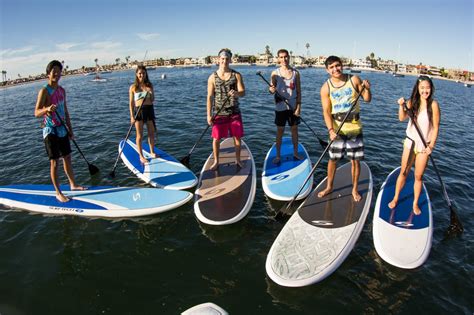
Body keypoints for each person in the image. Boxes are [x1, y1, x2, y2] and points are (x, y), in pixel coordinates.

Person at [318, 55, 372, 202]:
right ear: (327, 70)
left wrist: (367, 89)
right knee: (333, 159)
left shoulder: (353, 79)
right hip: (337, 129)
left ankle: (354, 189)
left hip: (354, 127)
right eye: (332, 67)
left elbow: (367, 99)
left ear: (342, 65)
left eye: (338, 65)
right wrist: (330, 130)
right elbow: (326, 112)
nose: (336, 69)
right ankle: (329, 187)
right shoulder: (325, 88)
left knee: (355, 161)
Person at [34, 60, 86, 202]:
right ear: (48, 74)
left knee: (68, 158)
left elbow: (66, 112)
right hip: (50, 129)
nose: (56, 74)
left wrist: (70, 129)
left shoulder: (62, 90)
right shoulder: (44, 91)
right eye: (54, 71)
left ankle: (73, 184)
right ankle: (58, 192)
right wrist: (47, 109)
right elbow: (36, 112)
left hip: (63, 128)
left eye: (59, 71)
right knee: (55, 162)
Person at [388, 76, 440, 215]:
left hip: (424, 146)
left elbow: (435, 128)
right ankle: (396, 198)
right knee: (404, 172)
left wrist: (431, 146)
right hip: (410, 143)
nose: (425, 90)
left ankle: (415, 203)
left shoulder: (433, 105)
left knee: (418, 176)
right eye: (422, 87)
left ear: (431, 88)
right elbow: (401, 118)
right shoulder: (412, 102)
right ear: (418, 88)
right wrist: (401, 105)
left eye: (427, 87)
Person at [206, 48, 246, 170]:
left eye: (227, 58)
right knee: (216, 138)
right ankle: (216, 161)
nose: (225, 61)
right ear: (219, 60)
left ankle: (238, 160)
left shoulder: (236, 75)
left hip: (234, 112)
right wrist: (208, 115)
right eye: (222, 58)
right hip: (219, 112)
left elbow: (243, 92)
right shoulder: (212, 77)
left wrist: (237, 94)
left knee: (237, 137)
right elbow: (210, 97)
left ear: (230, 60)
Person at [268, 49, 302, 164]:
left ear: (289, 57)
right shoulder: (275, 73)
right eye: (281, 57)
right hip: (280, 107)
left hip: (293, 107)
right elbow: (271, 89)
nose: (284, 59)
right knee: (280, 131)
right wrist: (271, 89)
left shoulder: (296, 73)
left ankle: (296, 153)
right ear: (278, 59)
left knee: (294, 130)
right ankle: (278, 155)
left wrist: (298, 107)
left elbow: (299, 91)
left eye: (286, 57)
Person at [129, 65, 156, 164]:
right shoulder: (133, 87)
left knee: (151, 133)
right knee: (139, 135)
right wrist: (132, 116)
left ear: (146, 74)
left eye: (143, 73)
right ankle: (141, 156)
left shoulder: (149, 85)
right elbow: (131, 103)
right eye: (140, 73)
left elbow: (152, 100)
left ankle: (152, 151)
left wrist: (150, 92)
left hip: (149, 110)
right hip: (139, 111)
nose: (142, 75)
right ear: (136, 74)